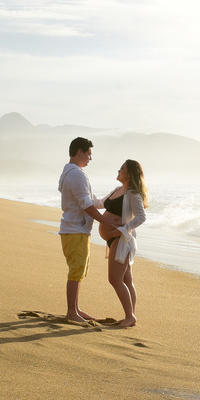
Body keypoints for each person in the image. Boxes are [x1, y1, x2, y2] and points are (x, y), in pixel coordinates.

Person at [58, 137, 119, 324]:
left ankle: (75, 308)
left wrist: (116, 193)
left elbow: (95, 202)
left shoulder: (74, 172)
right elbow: (86, 205)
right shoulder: (76, 174)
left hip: (77, 230)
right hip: (74, 230)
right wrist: (106, 223)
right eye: (89, 154)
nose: (90, 159)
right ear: (80, 152)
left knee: (79, 270)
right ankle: (71, 312)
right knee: (75, 271)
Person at [99, 159, 149, 327]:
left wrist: (121, 229)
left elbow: (141, 217)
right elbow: (99, 203)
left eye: (122, 169)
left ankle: (130, 316)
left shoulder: (133, 194)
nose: (118, 170)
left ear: (130, 174)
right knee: (126, 280)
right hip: (114, 239)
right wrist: (83, 194)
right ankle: (131, 316)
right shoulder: (117, 190)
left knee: (115, 279)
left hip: (121, 240)